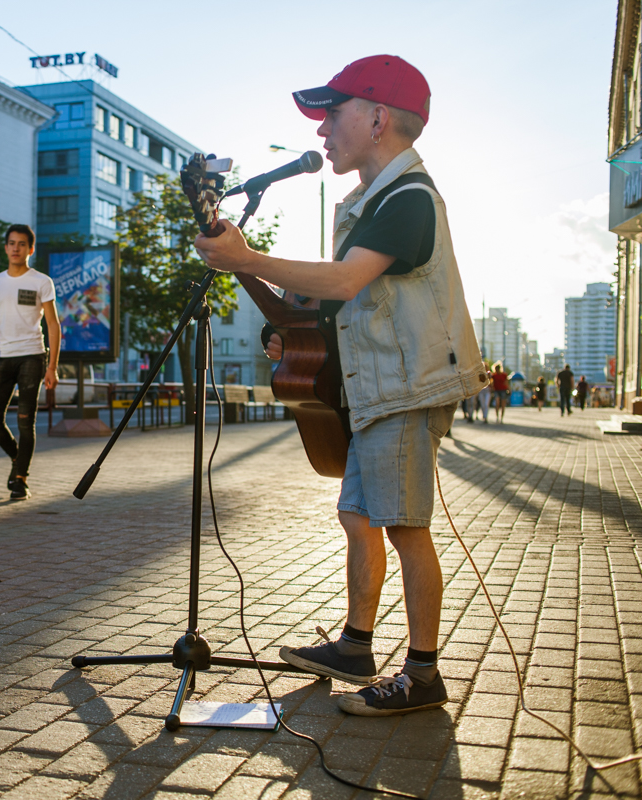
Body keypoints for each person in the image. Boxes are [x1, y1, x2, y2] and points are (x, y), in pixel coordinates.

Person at [194, 55, 486, 716]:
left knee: (404, 527)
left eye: (334, 112)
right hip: (376, 389)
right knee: (358, 516)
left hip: (405, 389)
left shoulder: (408, 198)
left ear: (378, 118)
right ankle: (356, 645)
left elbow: (347, 281)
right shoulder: (373, 202)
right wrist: (281, 317)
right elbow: (337, 303)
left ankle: (423, 674)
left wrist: (247, 256)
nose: (322, 129)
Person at [0, 224, 60, 501]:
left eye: (21, 244)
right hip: (2, 356)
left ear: (30, 249)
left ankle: (20, 479)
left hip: (32, 355)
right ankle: (18, 461)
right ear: (6, 247)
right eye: (11, 243)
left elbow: (53, 324)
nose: (16, 248)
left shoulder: (42, 281)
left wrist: (52, 366)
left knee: (24, 420)